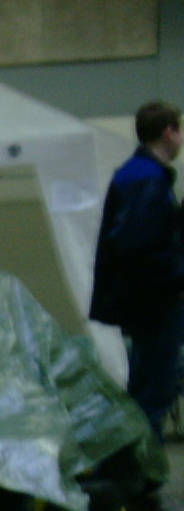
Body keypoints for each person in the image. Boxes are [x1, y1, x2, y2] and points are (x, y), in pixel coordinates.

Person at [91, 100, 184, 440]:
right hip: (155, 302)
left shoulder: (138, 175)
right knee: (152, 392)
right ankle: (144, 465)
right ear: (168, 132)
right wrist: (177, 278)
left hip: (144, 301)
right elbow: (140, 244)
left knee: (146, 387)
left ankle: (139, 462)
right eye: (180, 131)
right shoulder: (147, 179)